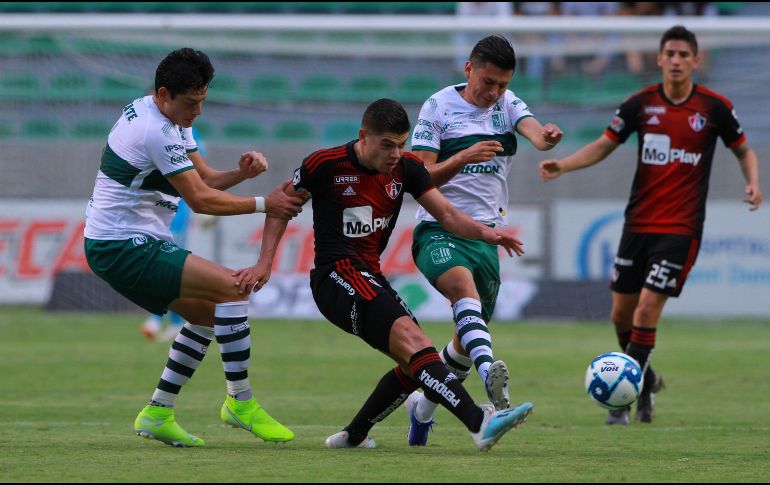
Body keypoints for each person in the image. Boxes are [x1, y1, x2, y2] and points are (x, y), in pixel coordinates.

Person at [234, 99, 534, 451]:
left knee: (415, 365)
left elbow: (448, 215)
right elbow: (280, 204)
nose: (396, 153)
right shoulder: (325, 164)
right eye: (388, 144)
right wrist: (264, 263)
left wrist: (487, 233)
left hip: (370, 276)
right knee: (417, 344)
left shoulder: (406, 168)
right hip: (336, 275)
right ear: (364, 136)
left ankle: (354, 435)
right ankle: (479, 424)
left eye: (402, 144)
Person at [539, 25, 762, 425]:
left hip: (681, 228)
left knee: (645, 310)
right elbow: (605, 145)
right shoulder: (640, 104)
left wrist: (753, 182)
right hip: (637, 225)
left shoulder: (714, 108)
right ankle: (648, 381)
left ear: (695, 60)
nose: (676, 61)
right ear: (659, 59)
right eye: (669, 54)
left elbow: (743, 150)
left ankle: (622, 401)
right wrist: (564, 164)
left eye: (683, 55)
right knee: (620, 315)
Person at [84, 47, 305, 447]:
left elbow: (204, 182)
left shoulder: (165, 116)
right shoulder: (156, 129)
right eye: (191, 103)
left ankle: (157, 412)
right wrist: (263, 204)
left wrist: (241, 173)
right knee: (233, 287)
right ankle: (241, 403)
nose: (197, 113)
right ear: (164, 93)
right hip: (120, 244)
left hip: (130, 241)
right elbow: (201, 201)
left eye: (202, 102)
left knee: (205, 314)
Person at [404, 34, 563, 446]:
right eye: (487, 82)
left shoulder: (507, 105)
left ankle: (422, 407)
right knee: (462, 290)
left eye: (503, 85)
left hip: (487, 235)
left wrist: (547, 137)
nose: (494, 93)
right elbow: (418, 177)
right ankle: (493, 386)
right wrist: (460, 158)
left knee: (464, 336)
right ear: (468, 69)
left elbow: (535, 133)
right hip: (439, 228)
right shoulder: (438, 107)